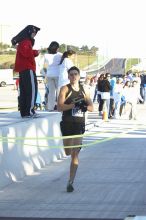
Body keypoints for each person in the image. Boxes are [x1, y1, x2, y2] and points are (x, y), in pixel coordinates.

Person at [57, 66, 94, 192]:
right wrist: (74, 105)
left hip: (79, 124)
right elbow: (59, 107)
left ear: (79, 76)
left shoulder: (85, 90)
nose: (73, 76)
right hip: (67, 123)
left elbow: (91, 108)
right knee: (67, 152)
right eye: (71, 74)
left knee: (74, 153)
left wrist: (84, 107)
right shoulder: (65, 89)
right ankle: (70, 178)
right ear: (68, 76)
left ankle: (70, 181)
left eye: (75, 74)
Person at [11, 25, 40, 118]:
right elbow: (27, 53)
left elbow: (25, 53)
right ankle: (30, 111)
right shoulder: (26, 42)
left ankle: (24, 112)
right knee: (31, 90)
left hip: (23, 70)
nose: (34, 35)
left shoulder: (22, 42)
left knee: (24, 91)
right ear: (29, 32)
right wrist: (35, 52)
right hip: (28, 69)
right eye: (33, 33)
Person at [44, 41, 62, 111]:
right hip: (58, 74)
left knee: (51, 92)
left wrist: (45, 74)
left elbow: (45, 66)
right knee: (59, 91)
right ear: (57, 48)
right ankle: (60, 107)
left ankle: (50, 107)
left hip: (49, 75)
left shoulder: (46, 55)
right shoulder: (60, 55)